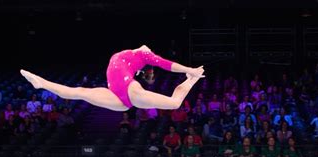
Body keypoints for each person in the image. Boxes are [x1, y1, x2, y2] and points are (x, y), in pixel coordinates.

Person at [21, 45, 204, 111]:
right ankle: (41, 83)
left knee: (174, 103)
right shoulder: (132, 57)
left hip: (130, 93)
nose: (147, 49)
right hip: (117, 97)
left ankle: (191, 79)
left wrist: (190, 70)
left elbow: (167, 64)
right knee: (78, 92)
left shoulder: (145, 57)